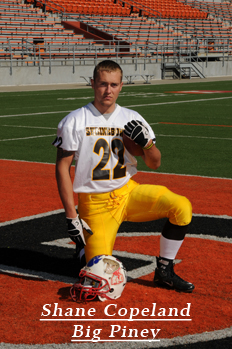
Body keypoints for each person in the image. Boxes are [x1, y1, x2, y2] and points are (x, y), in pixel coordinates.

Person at [53, 60, 194, 293]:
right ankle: (83, 250)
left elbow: (155, 163)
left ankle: (165, 271)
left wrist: (148, 145)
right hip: (95, 203)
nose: (108, 90)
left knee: (181, 206)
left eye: (114, 85)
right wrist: (71, 215)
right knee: (98, 280)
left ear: (121, 86)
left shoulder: (131, 117)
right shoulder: (75, 120)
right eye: (103, 84)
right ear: (92, 84)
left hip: (127, 191)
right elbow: (62, 166)